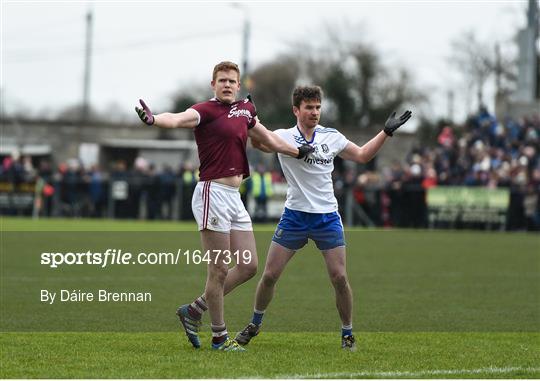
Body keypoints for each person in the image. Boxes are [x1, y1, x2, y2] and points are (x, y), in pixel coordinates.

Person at [135, 61, 314, 351]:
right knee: (218, 270)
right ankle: (219, 338)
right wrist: (154, 119)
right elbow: (178, 118)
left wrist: (296, 151)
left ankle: (194, 309)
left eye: (232, 80)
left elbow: (266, 138)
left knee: (249, 266)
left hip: (234, 197)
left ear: (239, 85)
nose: (227, 84)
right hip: (212, 194)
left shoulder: (245, 111)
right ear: (213, 84)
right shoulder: (204, 110)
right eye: (222, 80)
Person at [235, 85, 412, 351]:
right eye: (309, 107)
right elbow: (259, 142)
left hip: (327, 217)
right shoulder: (284, 136)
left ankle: (347, 333)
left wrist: (386, 132)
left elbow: (363, 155)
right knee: (270, 275)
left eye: (318, 107)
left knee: (339, 278)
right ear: (296, 110)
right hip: (294, 216)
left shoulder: (332, 136)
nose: (315, 112)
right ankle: (255, 323)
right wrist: (251, 120)